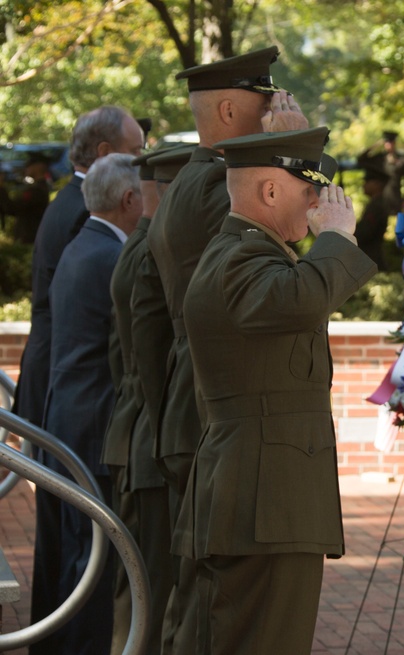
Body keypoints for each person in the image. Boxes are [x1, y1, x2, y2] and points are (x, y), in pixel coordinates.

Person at [173, 127, 375, 654]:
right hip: (262, 502)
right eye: (309, 190)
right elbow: (299, 299)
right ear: (269, 193)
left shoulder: (250, 253)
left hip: (262, 499)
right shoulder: (241, 257)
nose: (318, 202)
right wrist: (337, 238)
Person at [134, 45, 309, 655]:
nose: (276, 110)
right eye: (268, 102)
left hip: (195, 400)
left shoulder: (190, 179)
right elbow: (280, 279)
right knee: (223, 614)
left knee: (202, 603)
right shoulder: (217, 186)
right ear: (232, 106)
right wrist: (296, 147)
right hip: (218, 406)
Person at [15, 106, 144, 655]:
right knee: (85, 554)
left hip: (66, 401)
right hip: (83, 411)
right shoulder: (92, 234)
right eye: (135, 154)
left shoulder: (76, 221)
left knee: (72, 550)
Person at [103, 144, 194, 655]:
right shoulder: (155, 249)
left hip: (139, 430)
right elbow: (154, 357)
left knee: (140, 595)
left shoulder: (141, 242)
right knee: (151, 598)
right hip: (151, 440)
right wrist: (166, 432)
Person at [359, 129, 404, 212]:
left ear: (394, 143)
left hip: (395, 197)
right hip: (380, 197)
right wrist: (375, 145)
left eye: (391, 142)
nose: (389, 145)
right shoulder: (379, 158)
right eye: (387, 142)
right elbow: (361, 159)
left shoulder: (402, 159)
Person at [354, 160, 392, 269]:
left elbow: (364, 233)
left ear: (377, 184)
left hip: (370, 259)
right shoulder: (376, 202)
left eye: (367, 181)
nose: (364, 185)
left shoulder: (377, 205)